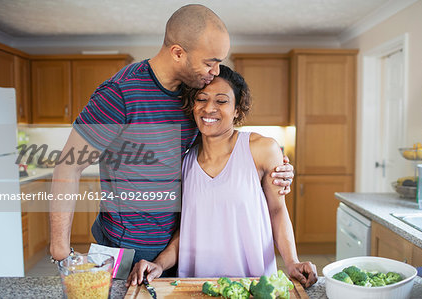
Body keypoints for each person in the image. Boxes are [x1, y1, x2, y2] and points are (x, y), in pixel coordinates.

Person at [49, 4, 294, 281]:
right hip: (126, 248)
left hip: (178, 249)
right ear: (178, 53)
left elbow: (224, 142)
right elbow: (68, 167)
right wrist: (60, 251)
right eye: (210, 62)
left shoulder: (193, 93)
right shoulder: (120, 94)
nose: (215, 71)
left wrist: (277, 168)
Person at [128, 65, 318, 288]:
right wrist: (159, 264)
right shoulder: (184, 161)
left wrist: (292, 261)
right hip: (195, 286)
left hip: (252, 284)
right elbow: (188, 230)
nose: (209, 108)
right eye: (201, 99)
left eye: (221, 101)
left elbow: (277, 210)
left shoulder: (261, 149)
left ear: (237, 108)